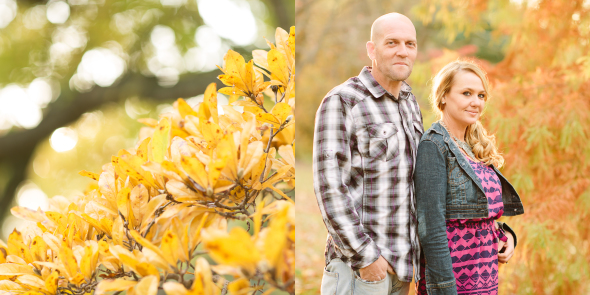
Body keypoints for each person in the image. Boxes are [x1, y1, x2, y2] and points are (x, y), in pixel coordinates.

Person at [313, 13, 423, 294]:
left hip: (402, 271)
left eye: (410, 44)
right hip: (360, 272)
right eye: (392, 42)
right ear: (372, 50)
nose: (402, 51)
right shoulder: (343, 100)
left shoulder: (410, 103)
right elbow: (329, 189)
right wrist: (366, 258)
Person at [414, 60, 524, 295]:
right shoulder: (434, 146)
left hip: (484, 276)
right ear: (443, 96)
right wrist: (445, 289)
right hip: (454, 281)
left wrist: (505, 235)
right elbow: (431, 228)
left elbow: (479, 214)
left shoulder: (474, 147)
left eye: (481, 95)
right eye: (466, 93)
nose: (476, 102)